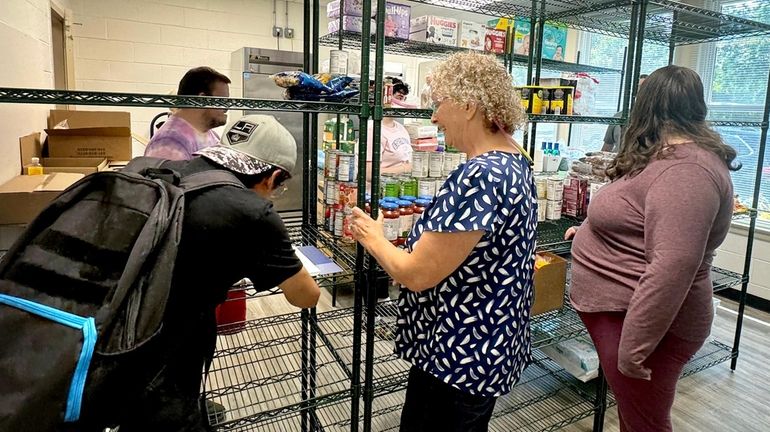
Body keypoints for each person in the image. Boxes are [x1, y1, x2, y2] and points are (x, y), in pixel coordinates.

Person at [349, 51, 537, 432]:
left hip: (459, 355)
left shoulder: (480, 175)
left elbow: (416, 275)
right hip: (485, 345)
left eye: (439, 104)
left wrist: (373, 237)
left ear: (468, 106)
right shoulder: (514, 161)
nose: (433, 117)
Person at [119, 115, 321, 431]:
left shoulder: (170, 168)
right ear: (273, 177)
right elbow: (305, 296)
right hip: (168, 351)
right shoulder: (253, 212)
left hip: (119, 325)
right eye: (279, 187)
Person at [566, 66, 737, 432]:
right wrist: (590, 231)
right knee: (635, 417)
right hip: (624, 317)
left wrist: (634, 348)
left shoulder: (687, 171)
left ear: (645, 106)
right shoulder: (666, 156)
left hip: (645, 326)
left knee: (646, 423)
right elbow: (640, 218)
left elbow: (672, 267)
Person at [145, 66, 232, 160]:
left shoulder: (210, 135)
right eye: (222, 101)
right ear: (202, 100)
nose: (226, 108)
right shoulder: (169, 145)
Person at [602, 74, 648, 152]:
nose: (640, 91)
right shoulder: (619, 117)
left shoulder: (656, 121)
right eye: (639, 87)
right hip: (618, 162)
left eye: (644, 88)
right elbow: (606, 149)